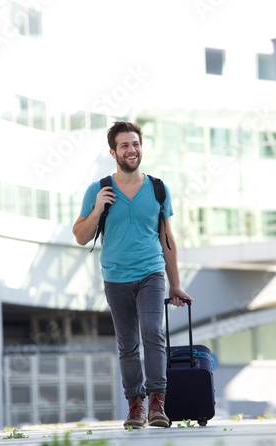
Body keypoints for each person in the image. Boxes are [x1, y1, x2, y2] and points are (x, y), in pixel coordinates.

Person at [73, 121, 193, 429]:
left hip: (151, 273)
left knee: (153, 331)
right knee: (127, 344)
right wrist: (98, 209)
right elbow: (80, 236)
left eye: (136, 144)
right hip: (115, 277)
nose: (132, 150)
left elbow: (168, 239)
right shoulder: (98, 189)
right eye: (125, 145)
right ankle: (135, 406)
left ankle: (157, 402)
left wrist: (175, 284)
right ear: (113, 151)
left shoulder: (157, 188)